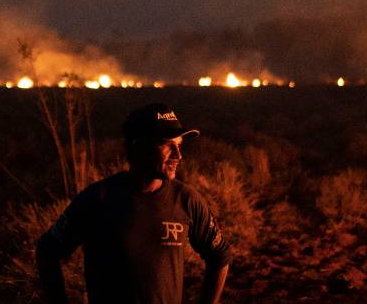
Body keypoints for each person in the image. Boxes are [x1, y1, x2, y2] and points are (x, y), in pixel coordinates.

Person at [36, 103, 231, 304]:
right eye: (167, 145)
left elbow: (220, 255)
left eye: (179, 145)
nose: (178, 155)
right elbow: (47, 251)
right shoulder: (97, 200)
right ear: (138, 146)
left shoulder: (186, 200)